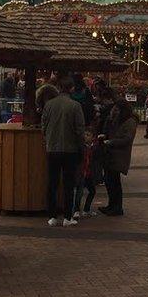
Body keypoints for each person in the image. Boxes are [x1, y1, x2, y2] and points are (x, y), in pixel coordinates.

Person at [40, 76, 85, 227]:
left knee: (52, 183)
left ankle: (52, 216)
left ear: (59, 88)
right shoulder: (75, 106)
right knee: (68, 184)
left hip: (52, 149)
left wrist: (49, 139)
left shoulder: (49, 105)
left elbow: (44, 126)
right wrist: (81, 148)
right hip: (70, 150)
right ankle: (67, 217)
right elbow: (80, 131)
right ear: (72, 88)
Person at [99, 98, 137, 216]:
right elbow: (109, 130)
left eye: (117, 109)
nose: (115, 111)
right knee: (110, 181)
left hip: (118, 155)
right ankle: (112, 205)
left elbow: (127, 139)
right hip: (111, 154)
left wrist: (111, 142)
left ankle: (117, 207)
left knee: (114, 182)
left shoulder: (129, 122)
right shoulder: (115, 119)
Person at [73, 128, 103, 219]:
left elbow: (98, 158)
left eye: (88, 135)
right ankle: (76, 210)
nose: (85, 137)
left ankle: (86, 209)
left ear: (93, 137)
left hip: (89, 173)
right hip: (82, 172)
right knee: (80, 192)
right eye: (85, 134)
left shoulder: (95, 147)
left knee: (92, 191)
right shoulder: (81, 147)